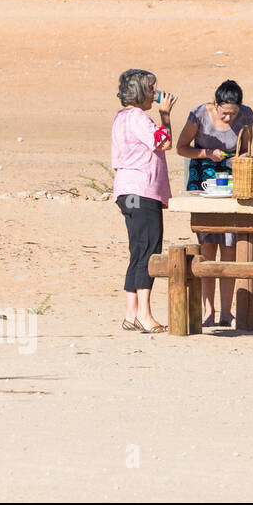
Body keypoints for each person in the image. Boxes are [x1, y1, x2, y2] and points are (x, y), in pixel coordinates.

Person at [175, 80, 253, 327]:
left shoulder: (246, 115)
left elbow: (246, 148)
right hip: (204, 180)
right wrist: (207, 153)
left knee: (230, 246)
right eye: (224, 113)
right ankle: (208, 311)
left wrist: (240, 158)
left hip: (232, 180)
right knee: (208, 246)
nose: (229, 118)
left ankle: (226, 312)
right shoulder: (199, 114)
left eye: (233, 113)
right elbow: (181, 148)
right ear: (216, 104)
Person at [111, 69, 175, 334]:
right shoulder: (138, 117)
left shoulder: (121, 118)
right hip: (142, 191)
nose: (154, 93)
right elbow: (164, 142)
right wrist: (165, 115)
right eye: (151, 89)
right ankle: (145, 315)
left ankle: (131, 313)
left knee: (137, 250)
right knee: (149, 249)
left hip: (128, 192)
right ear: (140, 91)